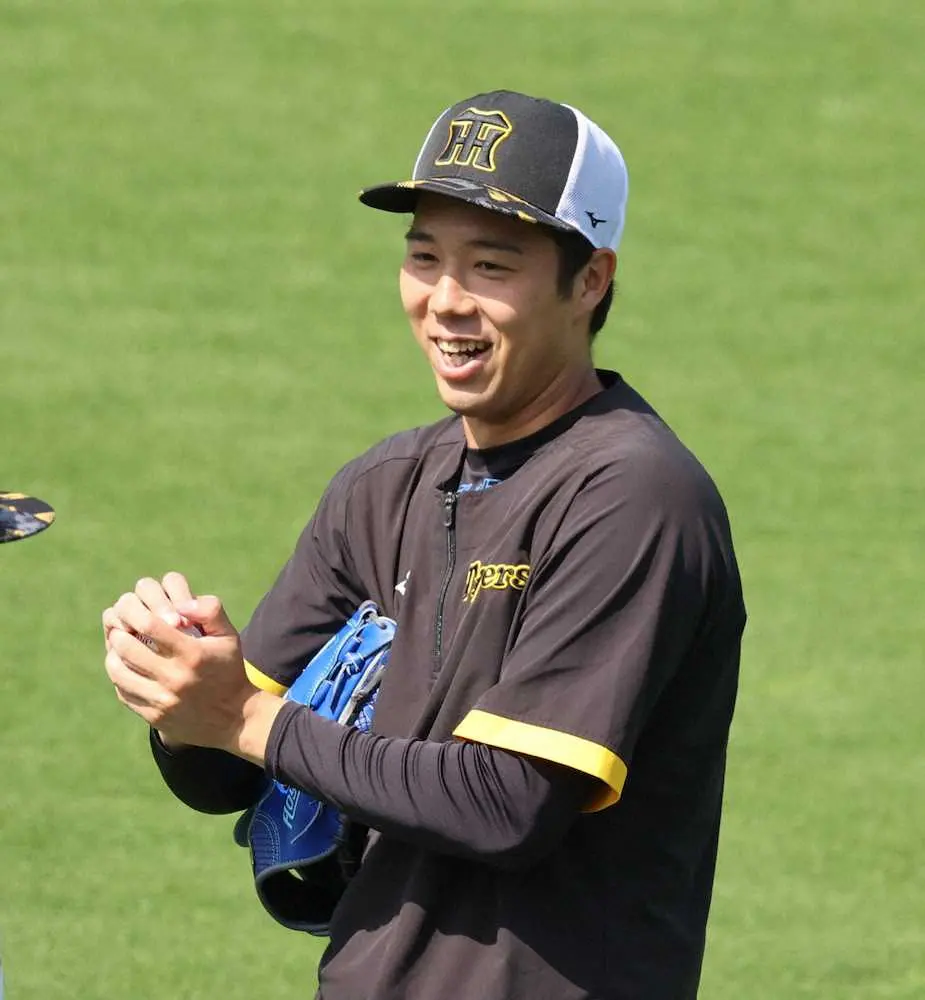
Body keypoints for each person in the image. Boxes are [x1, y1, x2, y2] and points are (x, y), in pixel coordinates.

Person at [102, 90, 746, 1000]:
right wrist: (180, 693)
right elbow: (222, 776)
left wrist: (244, 719)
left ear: (589, 281)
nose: (446, 301)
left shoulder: (632, 497)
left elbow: (507, 804)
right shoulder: (383, 488)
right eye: (424, 257)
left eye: (490, 266)